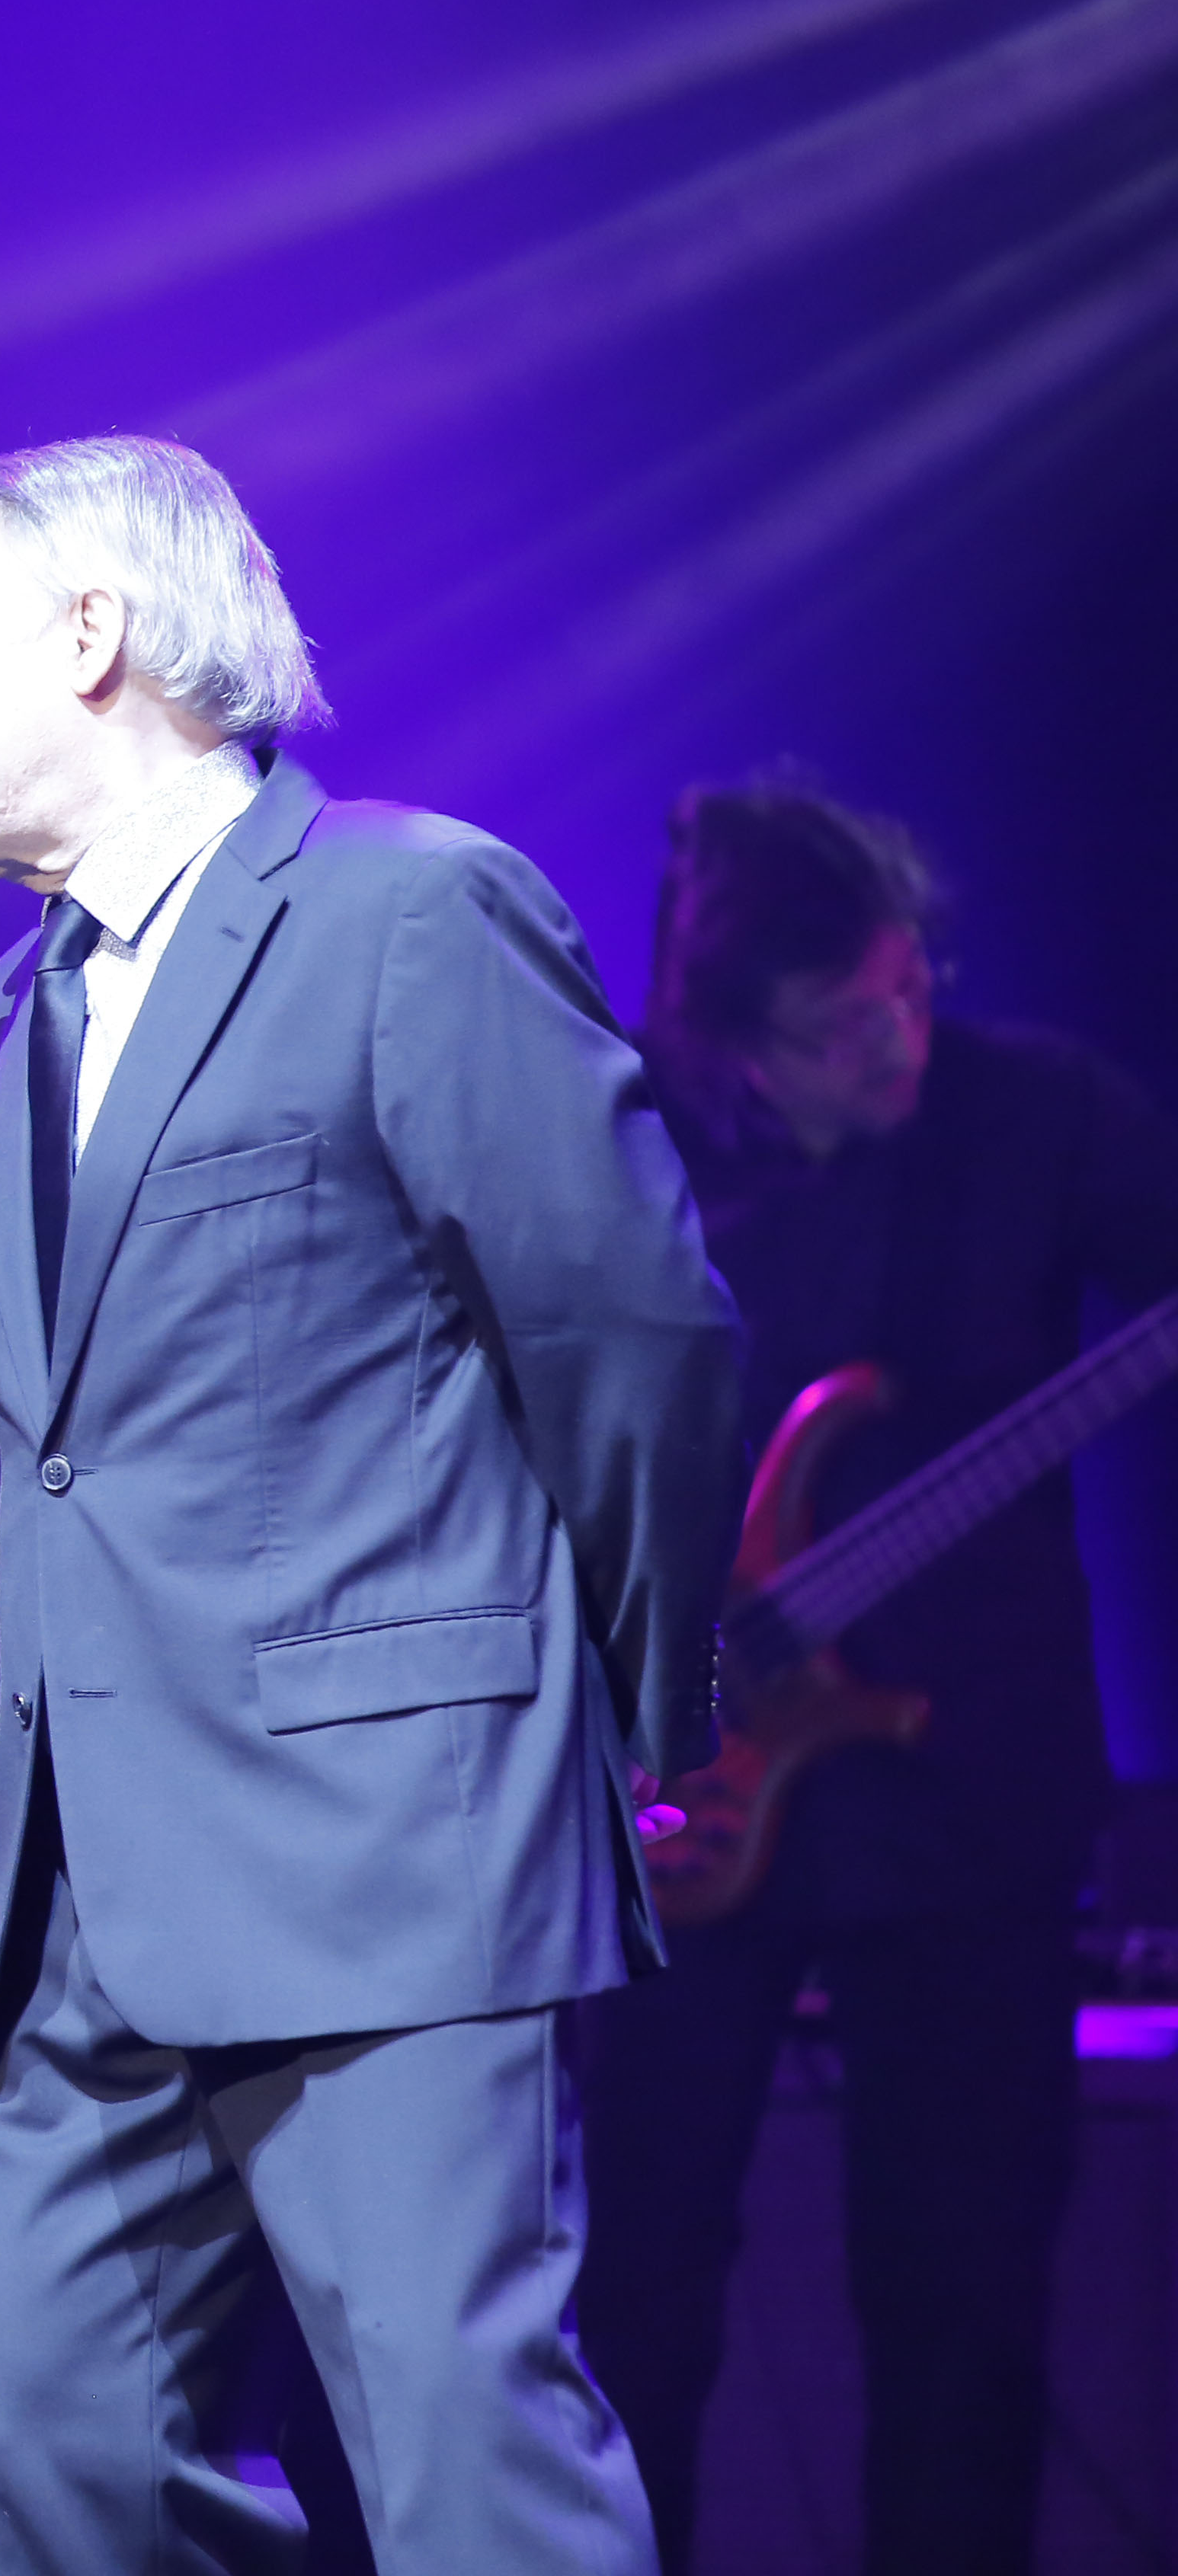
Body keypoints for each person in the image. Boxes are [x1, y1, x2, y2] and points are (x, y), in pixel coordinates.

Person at [0, 435, 741, 2574]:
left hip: (395, 1842)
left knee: (470, 2472)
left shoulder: (404, 910)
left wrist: (632, 1722)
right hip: (85, 1895)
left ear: (95, 634)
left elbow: (634, 1337)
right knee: (65, 2464)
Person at [577, 778, 1178, 2575]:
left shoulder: (1035, 1115)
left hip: (970, 1797)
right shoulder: (618, 1146)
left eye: (909, 990)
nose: (895, 1044)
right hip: (673, 1798)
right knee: (634, 2303)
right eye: (840, 1032)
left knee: (964, 2313)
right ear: (731, 1044)